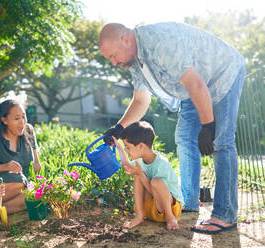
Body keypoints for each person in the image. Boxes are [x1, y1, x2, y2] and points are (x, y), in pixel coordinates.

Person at [99, 22, 245, 234]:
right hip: (192, 88)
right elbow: (141, 100)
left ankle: (225, 215)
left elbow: (196, 84)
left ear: (125, 40)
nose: (113, 62)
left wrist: (208, 125)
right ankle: (188, 201)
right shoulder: (135, 61)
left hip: (223, 74)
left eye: (112, 55)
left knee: (221, 142)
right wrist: (120, 128)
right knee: (185, 139)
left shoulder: (160, 42)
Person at [112, 121, 183, 230]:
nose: (127, 151)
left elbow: (154, 189)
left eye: (128, 147)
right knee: (138, 176)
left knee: (156, 181)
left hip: (168, 208)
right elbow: (126, 165)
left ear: (141, 146)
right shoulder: (140, 161)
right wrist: (119, 147)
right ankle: (139, 216)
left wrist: (140, 173)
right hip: (152, 208)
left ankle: (170, 218)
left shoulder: (161, 164)